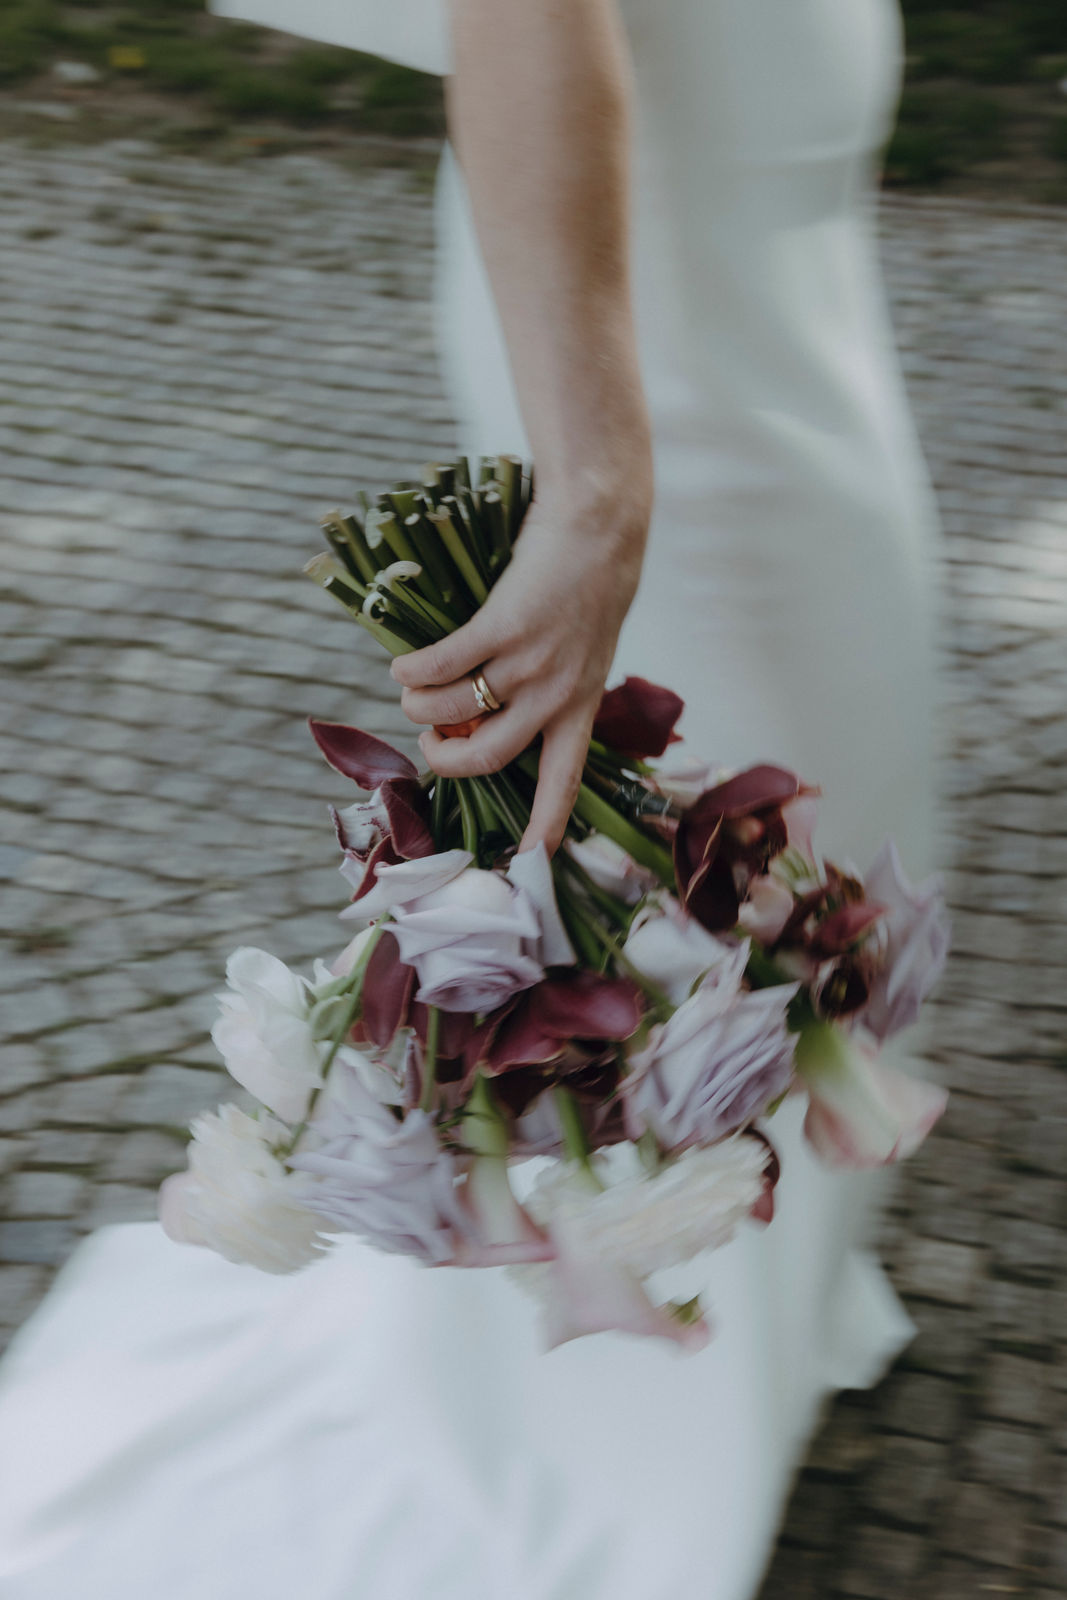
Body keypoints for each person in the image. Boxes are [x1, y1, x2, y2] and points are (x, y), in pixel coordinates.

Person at [0, 3, 942, 1597]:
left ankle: (723, 1340)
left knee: (792, 894)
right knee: (688, 934)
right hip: (666, 368)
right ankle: (604, 1400)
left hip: (779, 309)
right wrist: (595, 489)